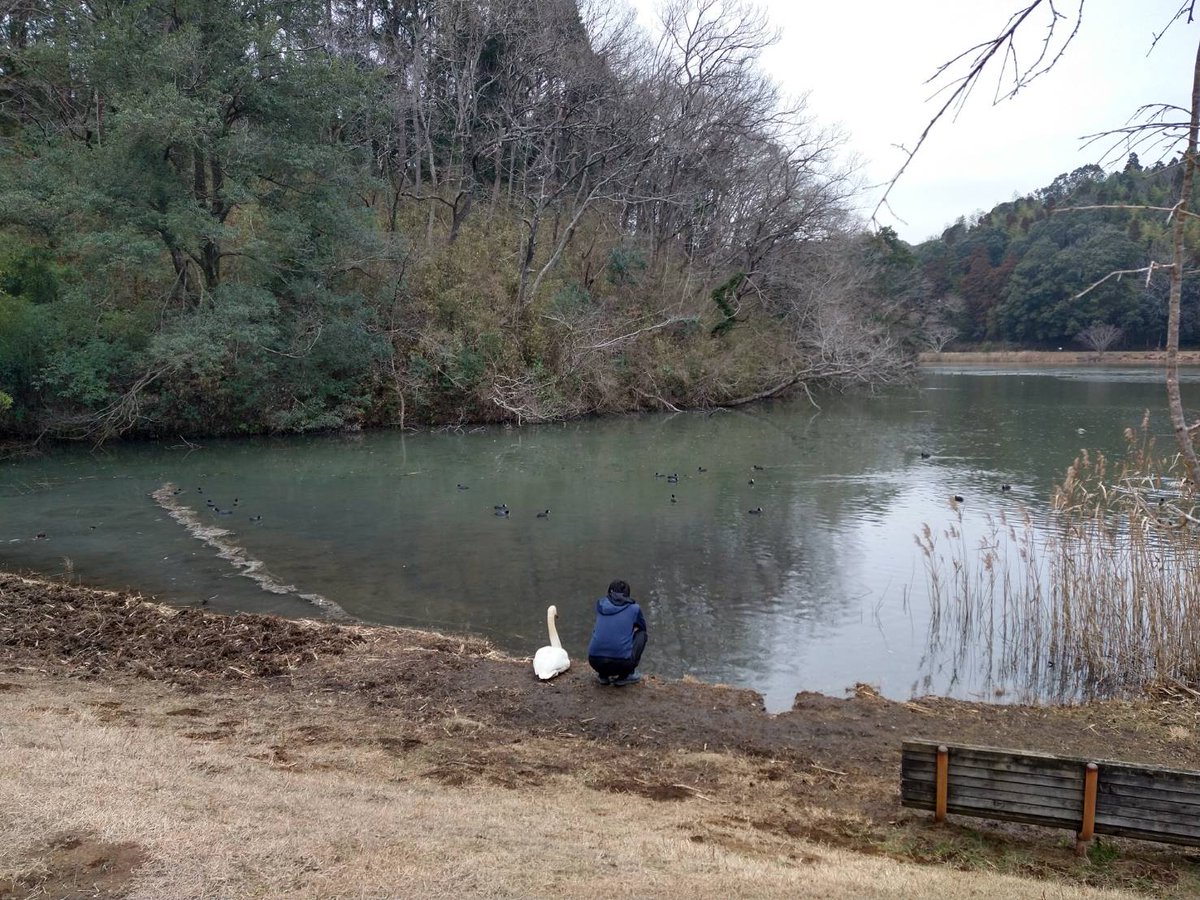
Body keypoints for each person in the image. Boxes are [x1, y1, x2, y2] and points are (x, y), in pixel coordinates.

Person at [587, 579, 647, 685]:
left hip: (594, 661)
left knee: (600, 630)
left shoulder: (600, 604)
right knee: (642, 634)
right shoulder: (634, 608)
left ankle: (603, 675)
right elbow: (642, 627)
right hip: (622, 664)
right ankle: (626, 676)